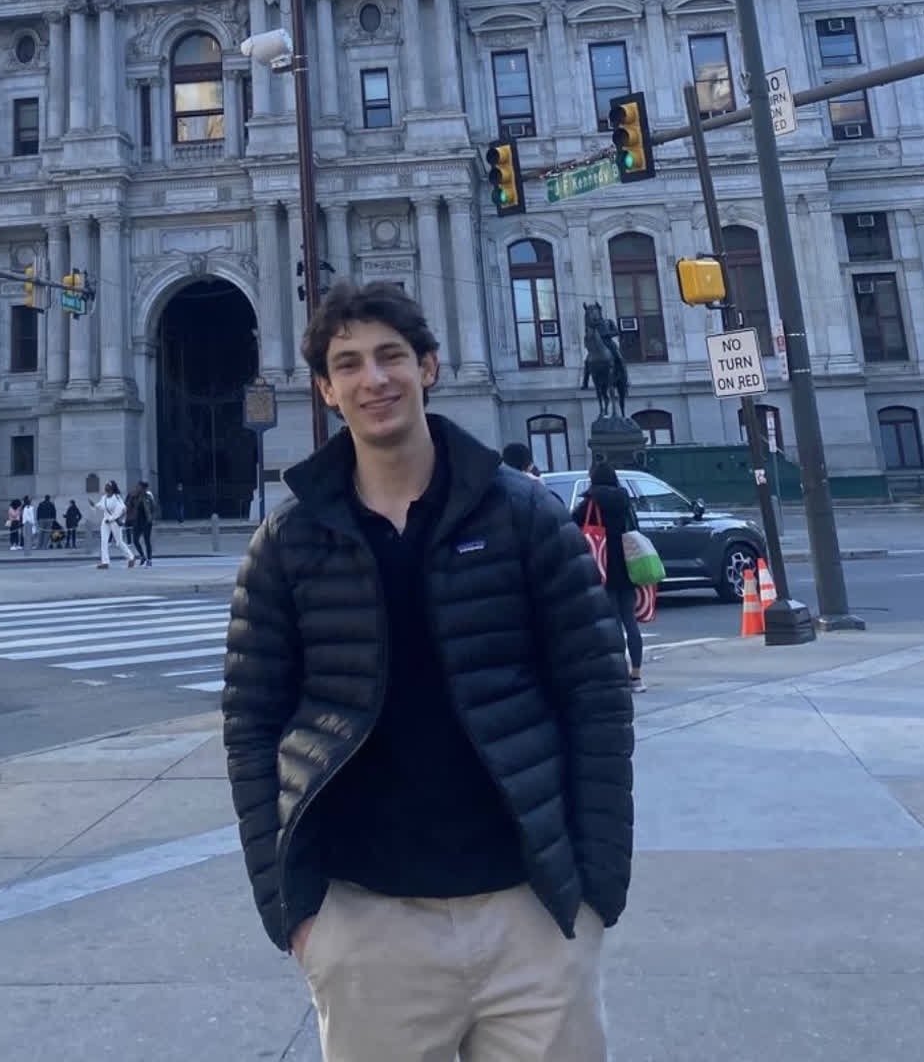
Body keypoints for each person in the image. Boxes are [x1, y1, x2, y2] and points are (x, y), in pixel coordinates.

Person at [224, 280, 632, 1062]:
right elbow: (251, 725)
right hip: (366, 923)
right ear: (326, 389)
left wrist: (594, 893)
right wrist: (294, 911)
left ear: (430, 368)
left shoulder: (525, 515)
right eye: (349, 365)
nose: (373, 380)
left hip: (531, 913)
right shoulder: (288, 543)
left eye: (391, 357)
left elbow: (597, 696)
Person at [573, 461, 646, 694]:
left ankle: (619, 674)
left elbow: (570, 529)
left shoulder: (588, 504)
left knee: (612, 624)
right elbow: (636, 529)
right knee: (630, 622)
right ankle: (637, 676)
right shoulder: (624, 502)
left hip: (601, 569)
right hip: (628, 567)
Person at [90, 481, 135, 570]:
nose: (106, 487)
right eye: (106, 486)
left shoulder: (116, 497)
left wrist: (111, 519)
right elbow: (101, 506)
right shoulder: (104, 498)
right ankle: (105, 562)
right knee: (104, 541)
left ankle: (131, 557)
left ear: (112, 488)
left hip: (114, 521)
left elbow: (121, 509)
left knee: (119, 542)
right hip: (105, 522)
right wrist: (94, 505)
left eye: (108, 486)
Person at [132, 481, 156, 567]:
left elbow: (153, 508)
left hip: (146, 522)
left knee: (147, 541)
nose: (138, 488)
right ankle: (142, 556)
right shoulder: (134, 496)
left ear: (144, 488)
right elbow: (128, 506)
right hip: (137, 522)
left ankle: (149, 559)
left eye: (139, 487)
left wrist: (151, 518)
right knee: (135, 540)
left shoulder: (148, 497)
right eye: (137, 486)